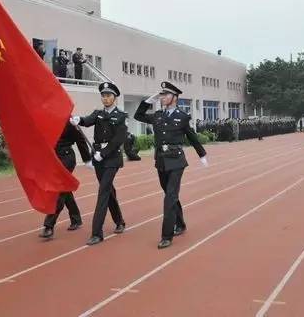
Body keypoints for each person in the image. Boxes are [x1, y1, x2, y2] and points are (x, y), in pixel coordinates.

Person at [134, 81, 208, 249]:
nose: (162, 97)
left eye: (166, 94)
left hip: (176, 161)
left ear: (174, 98)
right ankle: (180, 223)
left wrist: (201, 154)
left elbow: (192, 136)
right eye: (162, 95)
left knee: (169, 197)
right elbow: (138, 116)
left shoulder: (182, 117)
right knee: (170, 194)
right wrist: (147, 101)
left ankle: (166, 235)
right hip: (160, 160)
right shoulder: (158, 115)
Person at [70, 82, 128, 246]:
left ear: (114, 98)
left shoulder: (121, 116)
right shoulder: (98, 114)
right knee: (108, 190)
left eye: (109, 95)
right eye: (103, 95)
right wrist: (77, 120)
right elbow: (87, 121)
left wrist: (103, 153)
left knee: (103, 191)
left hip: (111, 159)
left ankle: (97, 232)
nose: (106, 98)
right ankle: (120, 221)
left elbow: (118, 140)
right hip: (98, 158)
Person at [39, 121, 93, 239]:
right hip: (53, 159)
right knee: (65, 189)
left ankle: (49, 225)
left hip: (66, 158)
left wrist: (87, 159)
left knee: (59, 191)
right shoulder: (47, 119)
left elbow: (80, 139)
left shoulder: (68, 122)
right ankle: (76, 219)